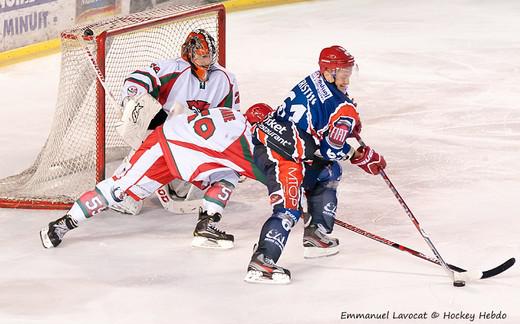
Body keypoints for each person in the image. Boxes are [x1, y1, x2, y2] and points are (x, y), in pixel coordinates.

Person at [244, 46, 386, 284]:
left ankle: (315, 234)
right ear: (328, 71)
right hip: (283, 157)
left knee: (329, 171)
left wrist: (342, 124)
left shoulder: (313, 78)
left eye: (349, 71)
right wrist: (358, 154)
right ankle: (262, 263)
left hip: (274, 143)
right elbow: (331, 148)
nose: (347, 77)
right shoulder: (343, 108)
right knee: (288, 210)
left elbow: (318, 127)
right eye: (342, 72)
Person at [40, 107, 265, 250]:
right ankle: (62, 224)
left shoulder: (233, 115)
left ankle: (205, 227)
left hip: (179, 149)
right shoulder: (243, 139)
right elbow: (265, 173)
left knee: (228, 174)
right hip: (163, 149)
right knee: (118, 190)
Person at [113, 28, 241, 248]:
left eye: (209, 55)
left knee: (186, 190)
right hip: (161, 134)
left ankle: (171, 181)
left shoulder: (226, 79)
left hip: (194, 140)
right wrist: (134, 102)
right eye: (201, 55)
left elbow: (230, 117)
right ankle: (124, 183)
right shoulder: (171, 69)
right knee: (128, 202)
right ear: (189, 54)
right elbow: (135, 81)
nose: (206, 60)